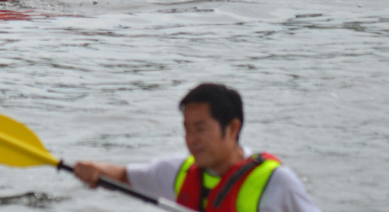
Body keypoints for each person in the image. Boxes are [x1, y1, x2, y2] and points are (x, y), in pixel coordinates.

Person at [74, 83, 321, 212]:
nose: (191, 139)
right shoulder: (176, 172)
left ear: (233, 129)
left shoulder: (278, 183)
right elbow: (123, 176)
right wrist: (96, 171)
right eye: (187, 129)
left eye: (200, 129)